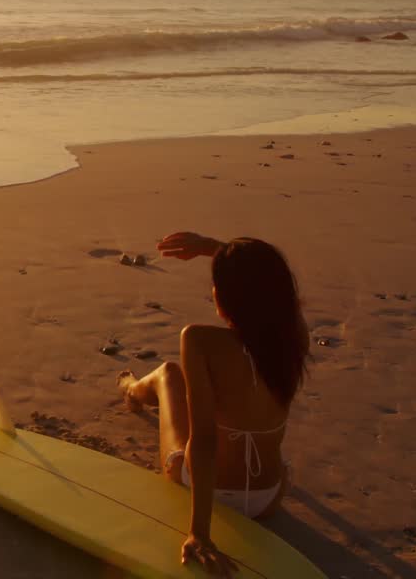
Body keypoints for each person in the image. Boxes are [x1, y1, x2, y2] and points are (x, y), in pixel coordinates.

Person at [118, 233, 310, 577]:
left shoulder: (199, 340)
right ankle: (134, 390)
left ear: (223, 299)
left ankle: (132, 391)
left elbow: (204, 439)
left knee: (167, 375)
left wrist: (200, 533)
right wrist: (216, 249)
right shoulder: (294, 336)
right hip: (269, 497)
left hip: (208, 489)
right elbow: (277, 288)